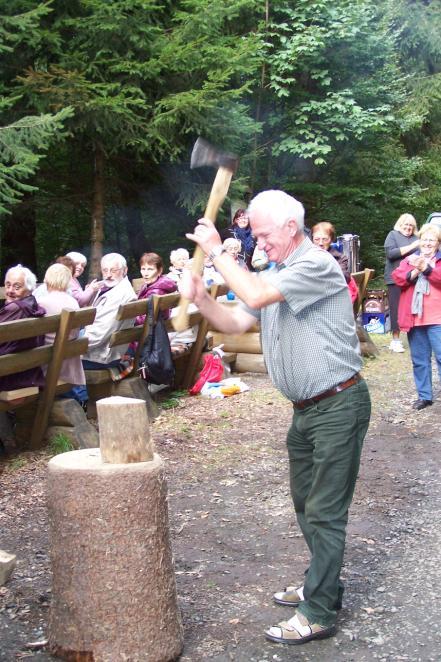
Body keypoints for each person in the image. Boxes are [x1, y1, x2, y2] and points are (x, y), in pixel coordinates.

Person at [180, 190, 371, 645]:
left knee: (325, 512)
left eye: (262, 235)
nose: (257, 243)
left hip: (338, 405)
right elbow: (235, 323)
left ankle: (320, 610)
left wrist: (215, 250)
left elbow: (257, 292)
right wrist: (203, 297)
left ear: (290, 227)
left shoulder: (316, 265)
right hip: (305, 410)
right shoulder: (280, 268)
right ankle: (323, 582)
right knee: (307, 505)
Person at [392, 223, 441, 410]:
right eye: (425, 239)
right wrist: (415, 270)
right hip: (415, 318)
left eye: (432, 240)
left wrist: (427, 269)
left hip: (438, 318)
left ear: (438, 243)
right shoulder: (409, 259)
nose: (427, 243)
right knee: (420, 360)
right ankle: (424, 396)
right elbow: (398, 278)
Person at [37, 263, 87, 405]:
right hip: (69, 363)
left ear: (46, 280)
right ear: (68, 282)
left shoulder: (41, 303)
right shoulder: (73, 302)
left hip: (47, 364)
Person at [82, 253, 136, 369]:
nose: (108, 275)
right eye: (105, 271)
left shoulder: (119, 295)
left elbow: (99, 334)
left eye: (113, 271)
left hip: (100, 357)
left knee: (55, 361)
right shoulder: (114, 289)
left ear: (125, 270)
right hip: (107, 352)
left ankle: (80, 388)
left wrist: (72, 347)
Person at [0, 265, 46, 391]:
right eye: (8, 285)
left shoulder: (15, 308)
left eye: (17, 287)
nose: (10, 290)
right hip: (27, 373)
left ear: (29, 289)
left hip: (10, 376)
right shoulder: (33, 306)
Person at [384, 214, 419, 352]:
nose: (408, 227)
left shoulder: (417, 238)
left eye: (411, 225)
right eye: (406, 224)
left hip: (414, 279)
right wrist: (412, 247)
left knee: (414, 307)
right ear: (400, 224)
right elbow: (391, 254)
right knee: (396, 309)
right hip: (395, 279)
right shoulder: (393, 235)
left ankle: (415, 337)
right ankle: (396, 340)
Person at [311, 221, 358, 304]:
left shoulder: (340, 258)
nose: (320, 243)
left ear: (331, 240)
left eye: (325, 239)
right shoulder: (305, 257)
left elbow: (344, 277)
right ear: (312, 239)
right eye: (317, 239)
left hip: (331, 301)